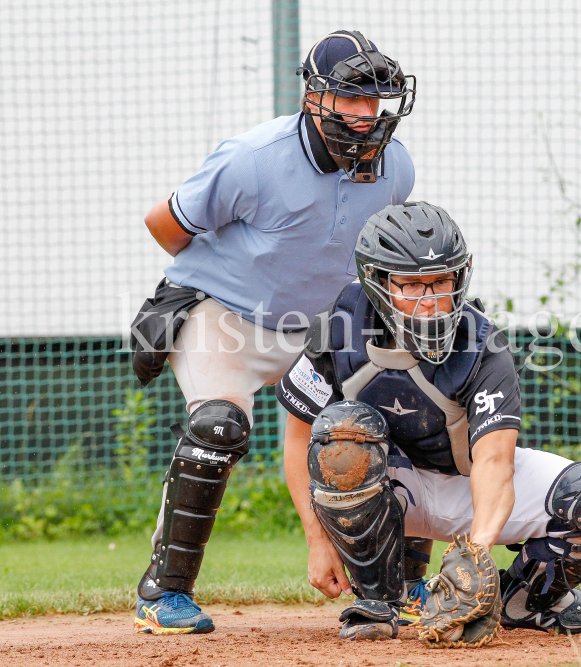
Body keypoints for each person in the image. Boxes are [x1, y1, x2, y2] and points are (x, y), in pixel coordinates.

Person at [132, 30, 416, 635]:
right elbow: (165, 224)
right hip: (224, 316)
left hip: (315, 326)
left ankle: (398, 579)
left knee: (385, 418)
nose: (367, 116)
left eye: (377, 100)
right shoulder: (254, 158)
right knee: (219, 428)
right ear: (315, 97)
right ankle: (164, 593)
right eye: (352, 98)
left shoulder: (396, 168)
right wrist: (231, 272)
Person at [276, 201, 581, 640]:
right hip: (390, 491)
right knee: (340, 431)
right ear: (376, 281)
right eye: (410, 285)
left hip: (470, 487)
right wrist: (318, 539)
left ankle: (523, 601)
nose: (430, 301)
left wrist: (475, 556)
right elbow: (299, 440)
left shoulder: (483, 343)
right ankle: (380, 600)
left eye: (440, 282)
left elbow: (495, 461)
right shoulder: (336, 327)